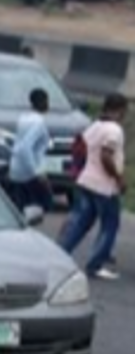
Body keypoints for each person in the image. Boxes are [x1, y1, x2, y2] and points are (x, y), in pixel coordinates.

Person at [60, 94, 128, 281]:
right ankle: (95, 265)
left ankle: (61, 255)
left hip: (86, 181)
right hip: (104, 187)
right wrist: (118, 178)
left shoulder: (95, 126)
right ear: (120, 109)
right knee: (109, 226)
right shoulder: (114, 129)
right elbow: (106, 156)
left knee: (81, 223)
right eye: (125, 110)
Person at [8, 89, 55, 213]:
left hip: (16, 170)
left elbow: (19, 144)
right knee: (45, 205)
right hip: (31, 174)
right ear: (44, 102)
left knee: (22, 209)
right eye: (47, 101)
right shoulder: (39, 122)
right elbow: (25, 147)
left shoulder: (23, 118)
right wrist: (36, 172)